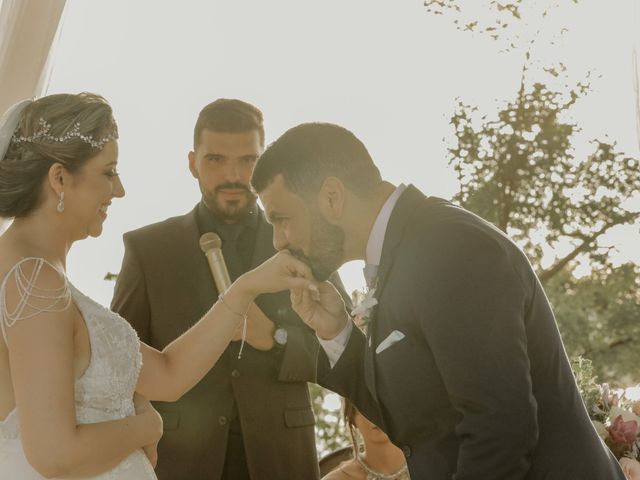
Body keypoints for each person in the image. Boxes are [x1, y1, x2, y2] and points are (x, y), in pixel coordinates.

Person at [249, 122, 627, 479]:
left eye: (282, 218)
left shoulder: (450, 248)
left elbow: (499, 430)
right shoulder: (404, 254)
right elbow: (416, 423)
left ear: (332, 196)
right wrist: (337, 332)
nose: (279, 241)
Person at [0, 93, 315, 479]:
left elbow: (167, 374)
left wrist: (245, 289)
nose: (119, 190)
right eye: (108, 171)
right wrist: (147, 428)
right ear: (60, 178)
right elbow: (55, 454)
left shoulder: (34, 273)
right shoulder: (34, 282)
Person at [111, 99, 323, 479]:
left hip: (282, 461)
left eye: (247, 160)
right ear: (192, 162)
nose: (233, 174)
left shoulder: (302, 241)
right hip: (178, 462)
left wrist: (275, 338)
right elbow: (119, 365)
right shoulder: (147, 250)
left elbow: (339, 350)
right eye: (216, 160)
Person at [322, 398, 409, 480]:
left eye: (385, 403)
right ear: (352, 417)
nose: (377, 414)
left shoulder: (422, 467)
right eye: (367, 406)